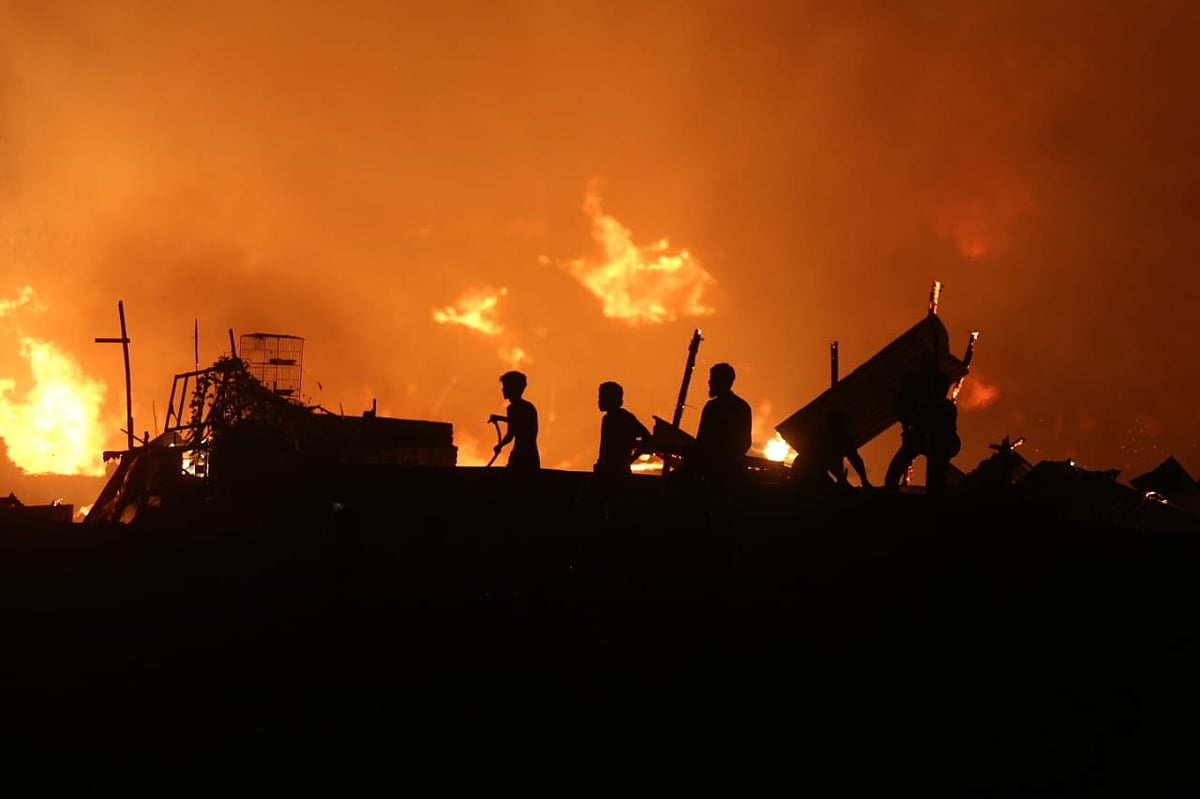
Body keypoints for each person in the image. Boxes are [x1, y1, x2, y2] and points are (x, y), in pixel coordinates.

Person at [681, 362, 753, 497]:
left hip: (714, 472)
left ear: (722, 381)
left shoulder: (712, 408)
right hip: (735, 470)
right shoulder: (743, 407)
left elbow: (702, 441)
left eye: (713, 378)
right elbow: (746, 442)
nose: (709, 382)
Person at [792, 408, 871, 493]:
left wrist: (865, 481)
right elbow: (831, 463)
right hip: (807, 473)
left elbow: (856, 460)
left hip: (814, 473)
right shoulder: (823, 437)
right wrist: (845, 483)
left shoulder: (843, 439)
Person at [593, 381, 652, 477]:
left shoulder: (624, 418)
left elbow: (648, 439)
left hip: (616, 472)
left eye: (601, 397)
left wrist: (629, 460)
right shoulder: (608, 418)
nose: (599, 401)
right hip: (606, 470)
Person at [488, 370, 540, 471]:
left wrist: (500, 445)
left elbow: (510, 434)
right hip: (532, 456)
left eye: (505, 386)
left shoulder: (513, 409)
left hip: (520, 456)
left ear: (513, 388)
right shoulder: (528, 407)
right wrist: (499, 418)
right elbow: (517, 422)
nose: (503, 389)